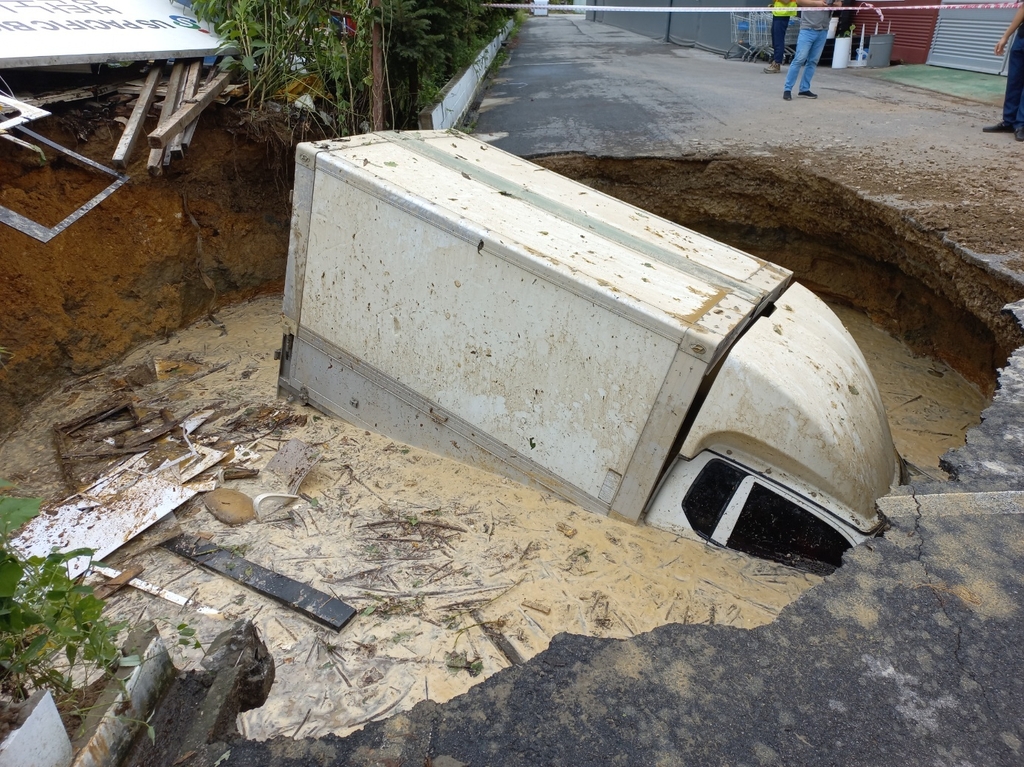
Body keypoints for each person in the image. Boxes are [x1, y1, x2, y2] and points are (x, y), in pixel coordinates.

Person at [982, 3, 1024, 141]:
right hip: (1021, 38)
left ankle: (1021, 124)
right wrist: (1005, 36)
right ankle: (1009, 122)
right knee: (1014, 81)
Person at [782, 0, 836, 101]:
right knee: (799, 59)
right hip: (808, 29)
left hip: (823, 29)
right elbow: (800, 1)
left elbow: (839, 4)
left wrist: (831, 3)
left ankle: (804, 89)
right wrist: (818, 3)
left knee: (813, 61)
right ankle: (787, 89)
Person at [763, 1, 798, 74]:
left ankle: (777, 63)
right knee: (775, 38)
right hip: (779, 12)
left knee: (778, 39)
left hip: (783, 13)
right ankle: (775, 62)